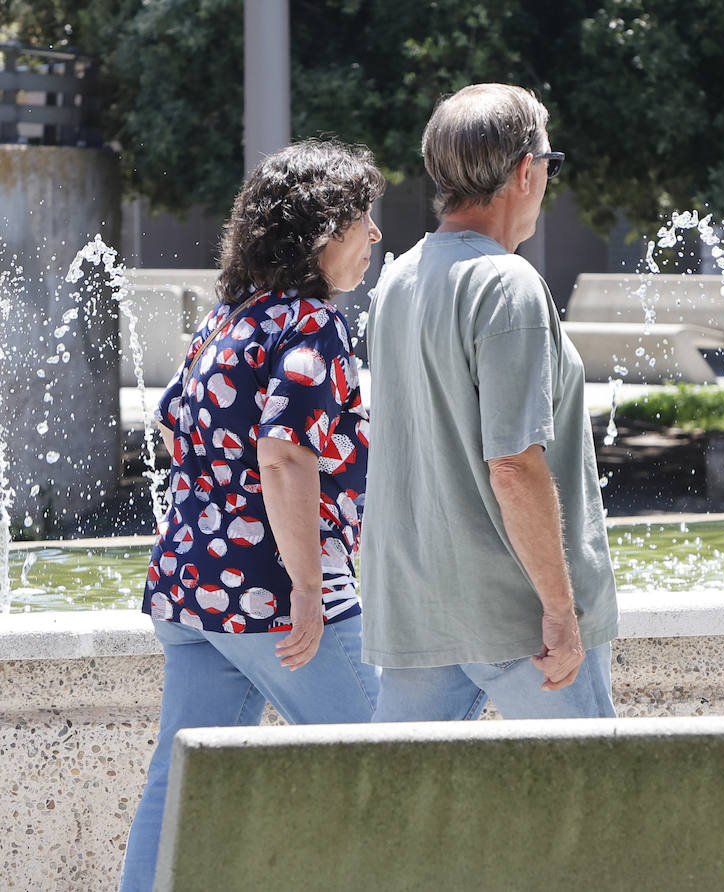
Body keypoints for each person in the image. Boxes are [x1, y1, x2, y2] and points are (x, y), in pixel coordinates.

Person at [119, 140, 383, 891]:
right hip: (276, 599)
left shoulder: (228, 319)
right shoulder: (312, 325)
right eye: (362, 219)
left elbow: (176, 422)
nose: (373, 236)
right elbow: (284, 451)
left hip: (190, 588)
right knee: (395, 766)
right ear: (320, 232)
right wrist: (306, 585)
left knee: (177, 788)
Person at [363, 83, 618, 721]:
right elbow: (511, 463)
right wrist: (561, 612)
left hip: (419, 609)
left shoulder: (398, 278)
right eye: (550, 166)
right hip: (517, 616)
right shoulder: (508, 284)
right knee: (596, 808)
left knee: (401, 815)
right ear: (526, 170)